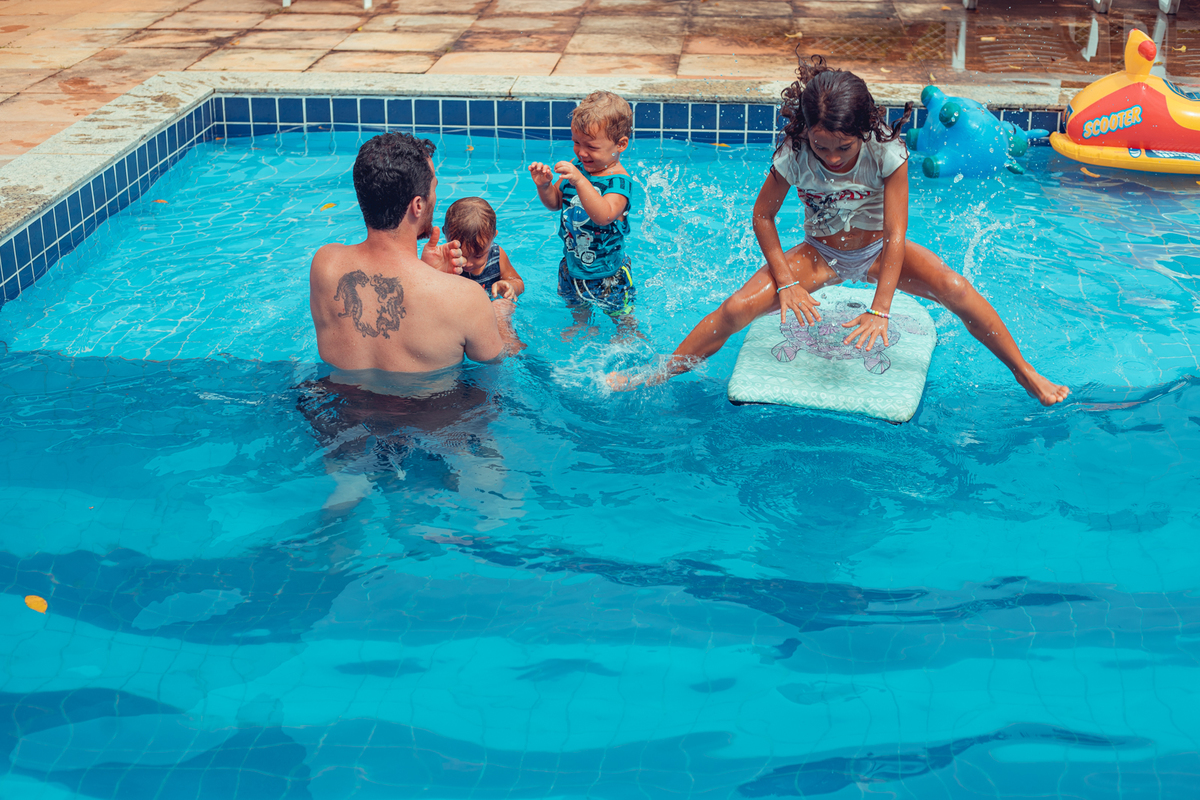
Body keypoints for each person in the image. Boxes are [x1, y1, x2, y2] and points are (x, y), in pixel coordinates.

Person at [608, 56, 1069, 406]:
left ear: (862, 129)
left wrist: (880, 310)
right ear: (805, 130)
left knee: (955, 288)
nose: (829, 156)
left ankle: (1024, 371)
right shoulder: (794, 153)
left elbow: (895, 234)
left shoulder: (886, 152)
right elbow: (762, 217)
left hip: (878, 249)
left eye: (841, 147)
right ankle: (661, 370)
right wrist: (786, 283)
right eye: (820, 144)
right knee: (734, 309)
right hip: (819, 255)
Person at [309, 132, 519, 374]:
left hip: (337, 405)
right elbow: (499, 365)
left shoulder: (325, 264)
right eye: (434, 188)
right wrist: (501, 318)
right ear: (418, 205)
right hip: (430, 410)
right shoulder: (468, 299)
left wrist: (426, 270)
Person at [528, 90, 640, 339]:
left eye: (591, 146)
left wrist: (580, 180)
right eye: (577, 143)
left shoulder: (619, 183)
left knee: (620, 311)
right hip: (573, 263)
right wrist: (544, 186)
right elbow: (557, 203)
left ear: (620, 145)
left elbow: (604, 215)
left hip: (607, 271)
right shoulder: (578, 167)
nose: (581, 152)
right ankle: (582, 323)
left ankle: (628, 333)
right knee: (575, 302)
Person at [443, 197, 525, 301]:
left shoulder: (496, 255)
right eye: (460, 255)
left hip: (491, 307)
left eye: (478, 256)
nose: (467, 264)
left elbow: (517, 281)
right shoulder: (443, 262)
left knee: (504, 304)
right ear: (446, 235)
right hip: (462, 310)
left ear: (493, 237)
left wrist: (510, 287)